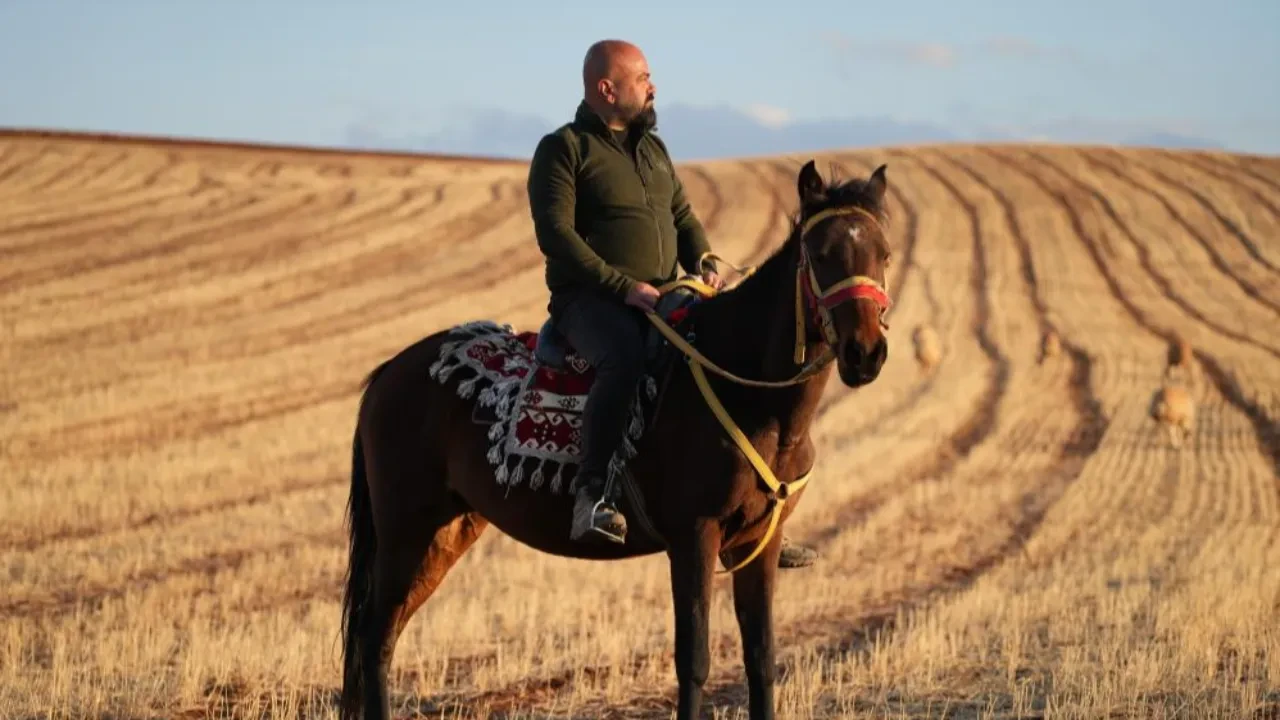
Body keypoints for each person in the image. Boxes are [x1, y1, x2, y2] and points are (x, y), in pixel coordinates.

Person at [526, 39, 819, 569]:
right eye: (642, 78)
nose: (652, 85)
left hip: (662, 296)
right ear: (606, 88)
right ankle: (593, 497)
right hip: (589, 301)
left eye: (650, 76)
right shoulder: (564, 148)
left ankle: (747, 521)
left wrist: (703, 256)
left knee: (723, 358)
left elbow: (682, 215)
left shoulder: (653, 150)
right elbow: (557, 236)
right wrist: (622, 288)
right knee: (625, 359)